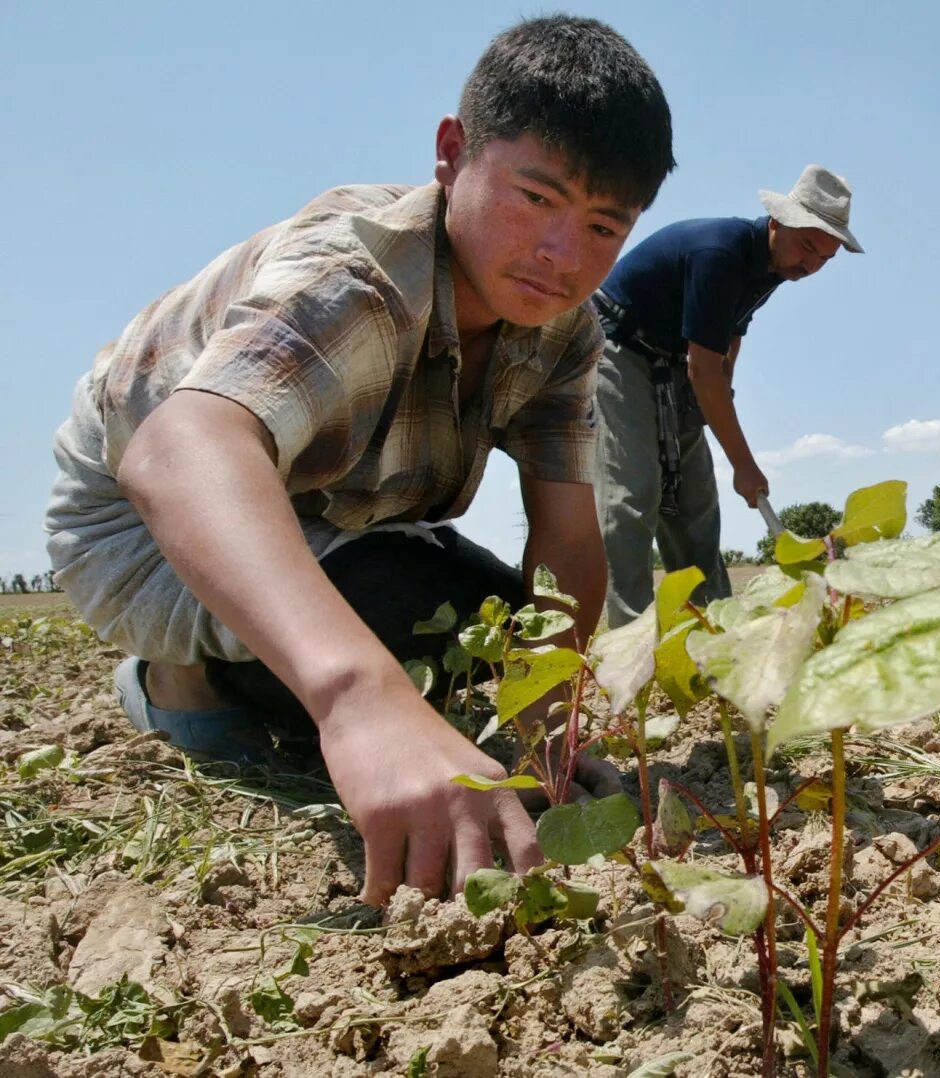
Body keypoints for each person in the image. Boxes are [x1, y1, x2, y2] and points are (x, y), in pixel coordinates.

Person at [41, 16, 675, 906]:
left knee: (480, 636)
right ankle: (178, 678)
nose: (561, 257)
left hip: (332, 516)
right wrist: (357, 700)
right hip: (144, 524)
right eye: (536, 199)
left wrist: (545, 727)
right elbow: (180, 450)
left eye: (604, 226)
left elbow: (567, 538)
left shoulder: (563, 332)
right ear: (453, 154)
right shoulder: (361, 276)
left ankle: (297, 672)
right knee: (385, 637)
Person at [590, 165, 863, 626]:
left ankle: (716, 633)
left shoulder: (774, 267)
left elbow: (730, 336)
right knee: (632, 496)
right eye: (808, 248)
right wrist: (743, 462)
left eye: (825, 259)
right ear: (778, 222)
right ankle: (629, 642)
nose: (811, 266)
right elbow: (703, 369)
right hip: (620, 345)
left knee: (696, 502)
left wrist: (721, 390)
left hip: (678, 361)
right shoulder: (721, 253)